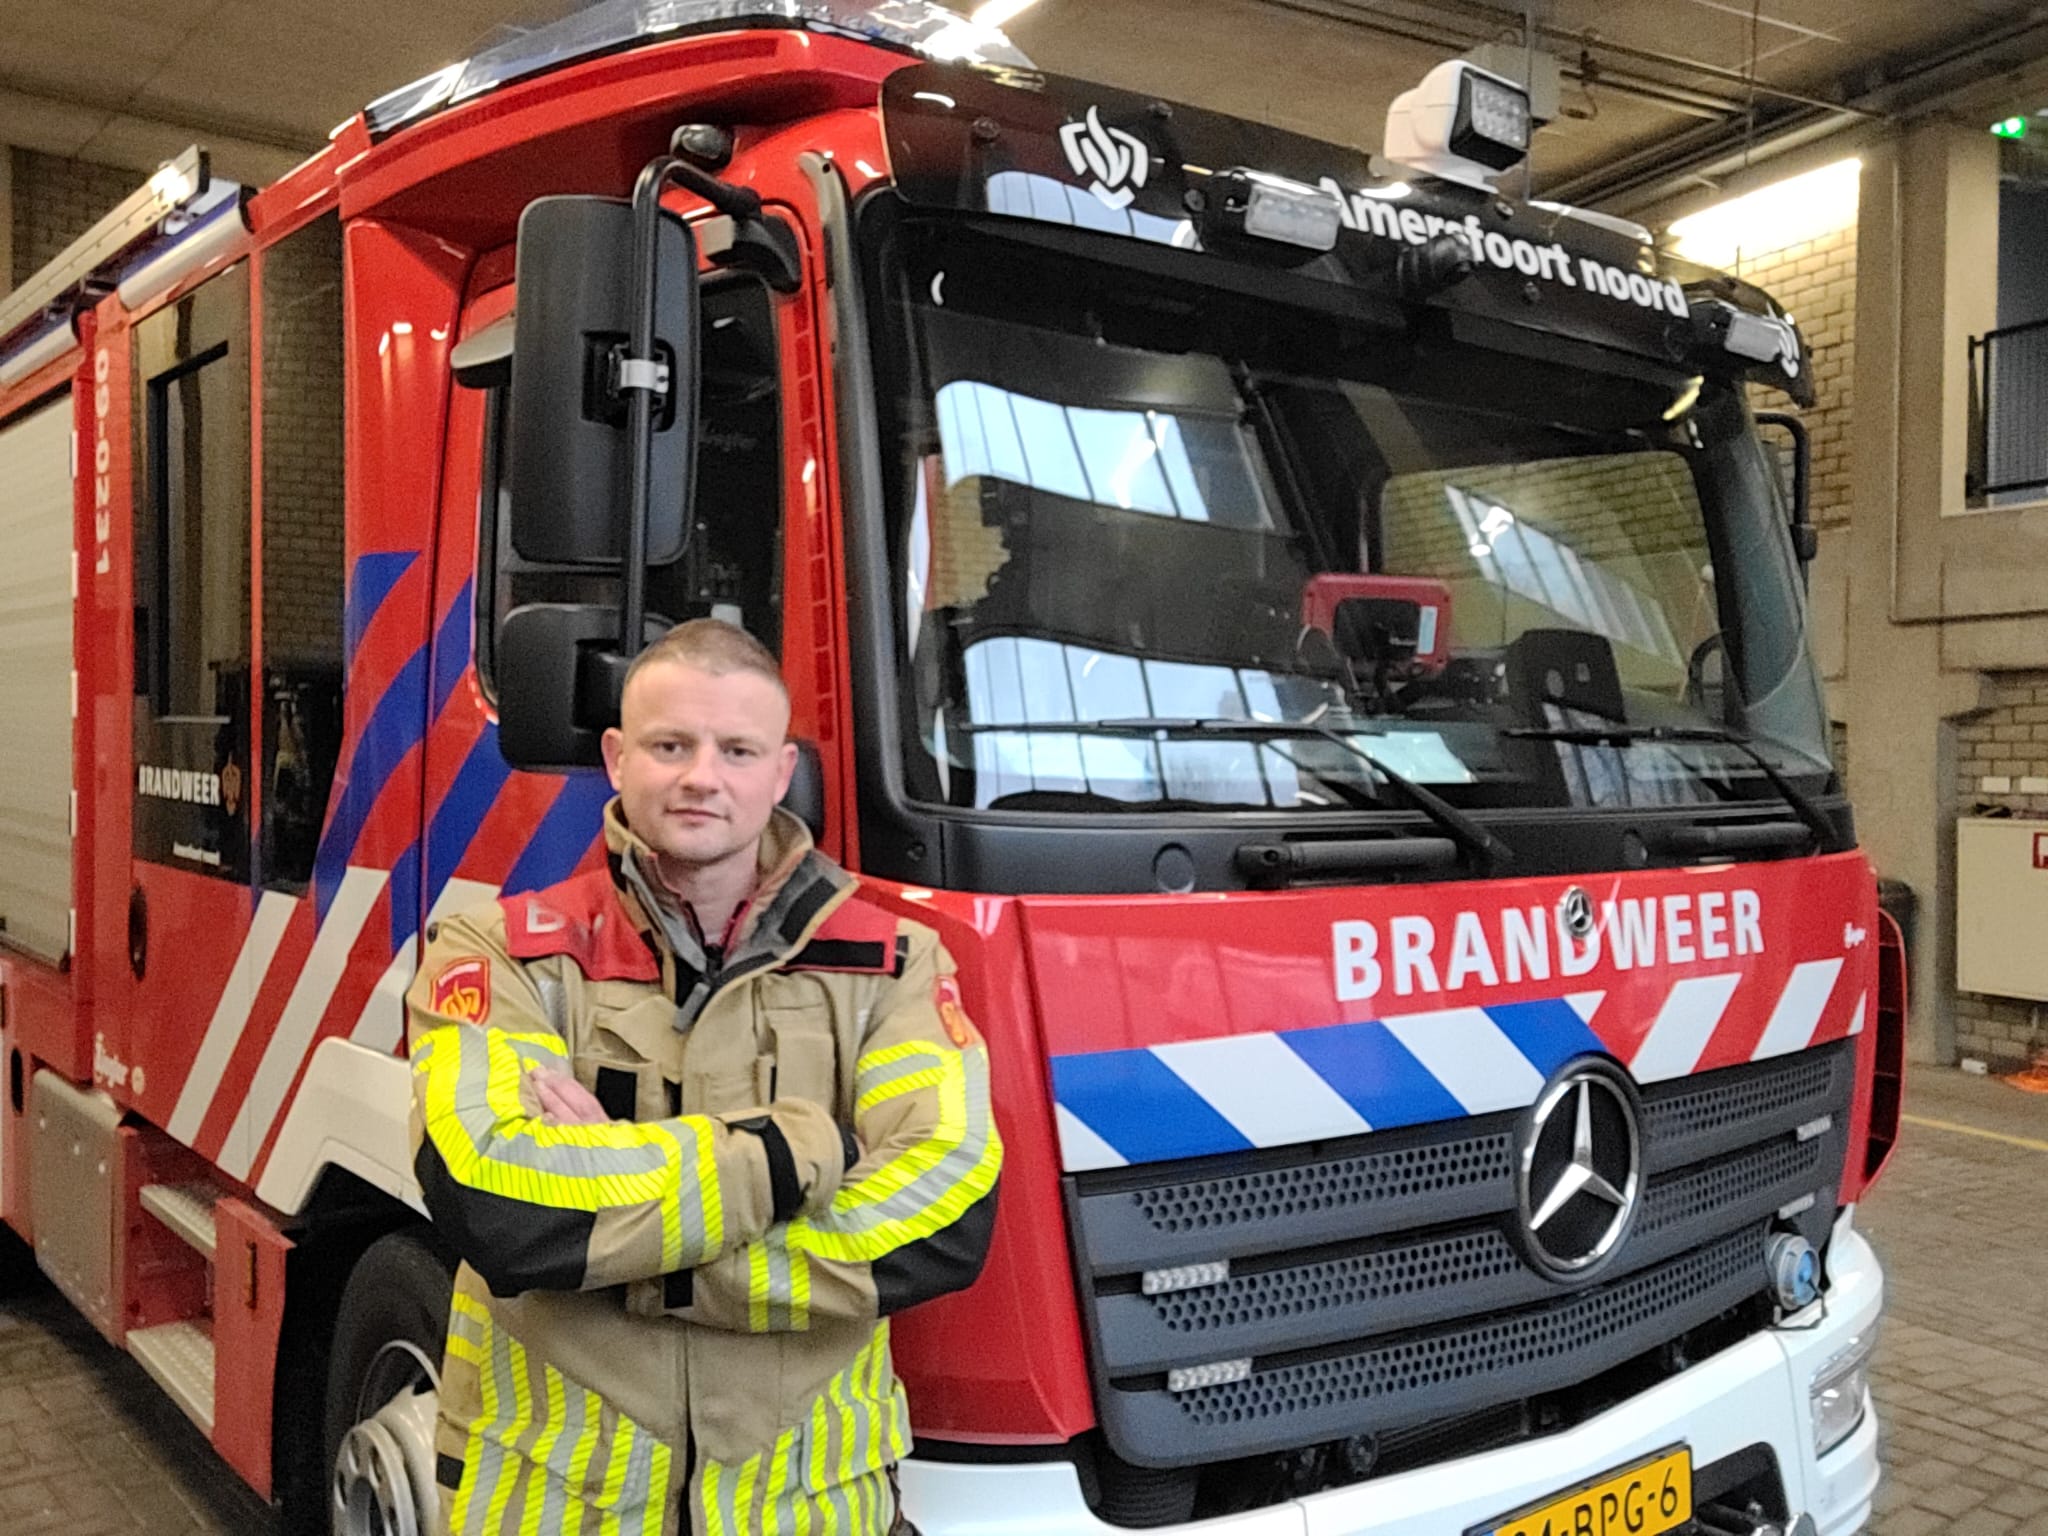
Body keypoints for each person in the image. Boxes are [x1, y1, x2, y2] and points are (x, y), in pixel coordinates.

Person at [406, 619, 1002, 1536]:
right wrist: (795, 1154)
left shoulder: (894, 964)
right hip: (560, 1507)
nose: (700, 777)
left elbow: (947, 1216)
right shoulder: (500, 952)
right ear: (615, 758)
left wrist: (635, 1243)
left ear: (781, 771)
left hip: (807, 1511)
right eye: (670, 745)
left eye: (736, 750)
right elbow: (498, 1206)